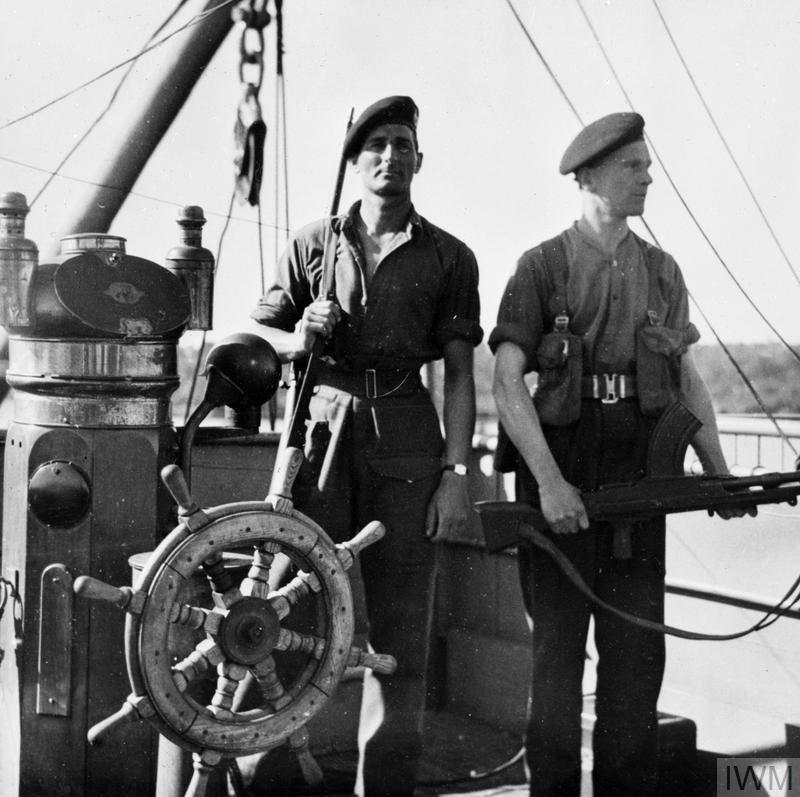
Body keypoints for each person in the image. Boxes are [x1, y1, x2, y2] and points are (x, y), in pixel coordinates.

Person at [489, 112, 745, 796]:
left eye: (646, 165)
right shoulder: (540, 267)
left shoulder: (662, 272)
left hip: (641, 476)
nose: (648, 177)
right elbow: (506, 381)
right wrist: (548, 484)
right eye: (634, 166)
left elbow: (686, 380)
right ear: (590, 176)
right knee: (556, 664)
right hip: (564, 471)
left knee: (635, 663)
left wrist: (717, 472)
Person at [248, 95, 482, 796]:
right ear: (353, 162)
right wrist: (297, 335)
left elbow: (463, 375)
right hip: (319, 434)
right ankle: (273, 777)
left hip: (409, 436)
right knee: (291, 604)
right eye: (375, 144)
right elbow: (256, 335)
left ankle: (385, 785)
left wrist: (456, 472)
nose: (390, 156)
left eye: (403, 143)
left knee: (402, 632)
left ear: (420, 159)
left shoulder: (450, 256)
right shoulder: (312, 243)